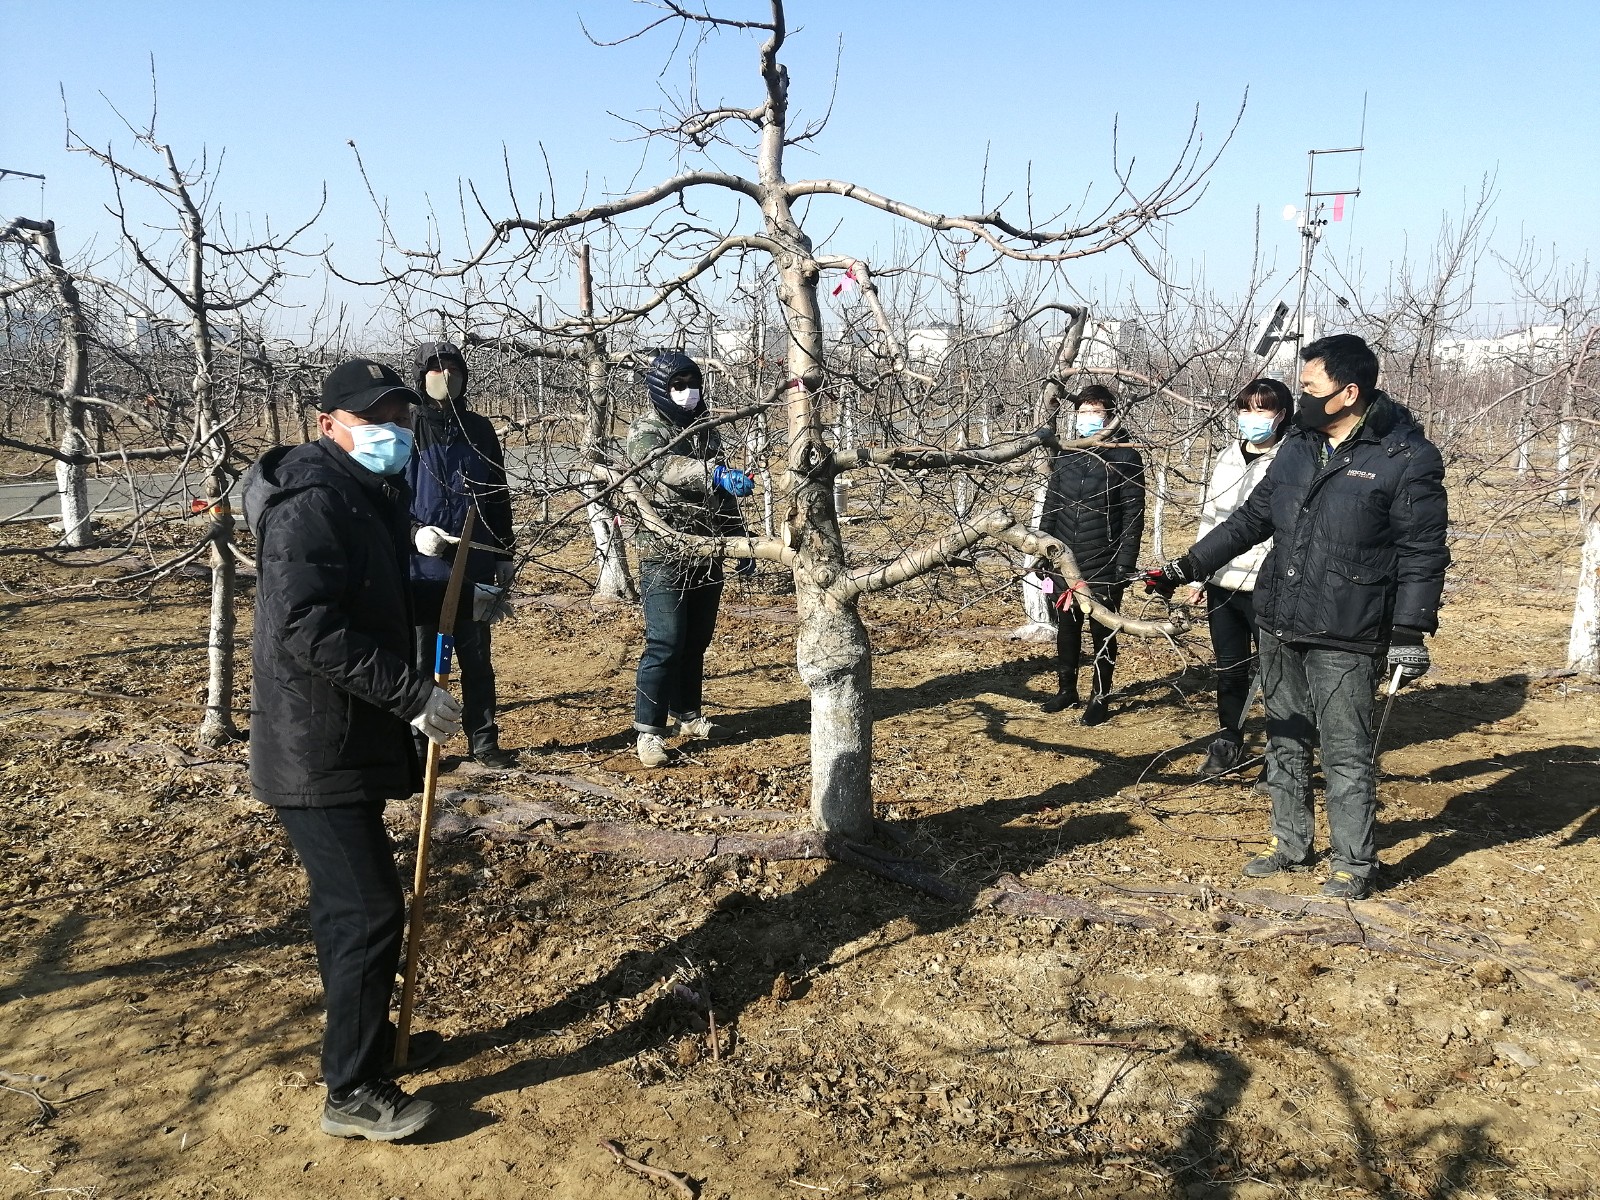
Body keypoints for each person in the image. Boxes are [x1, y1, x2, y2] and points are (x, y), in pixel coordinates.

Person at [1144, 334, 1449, 899]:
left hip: (1349, 631)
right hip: (1280, 616)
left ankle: (1355, 864)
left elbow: (1423, 552)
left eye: (1310, 388)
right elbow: (1250, 521)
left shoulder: (1406, 459)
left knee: (1346, 750)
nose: (1301, 398)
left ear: (1348, 392)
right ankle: (1291, 844)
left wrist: (1411, 629)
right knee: (1285, 738)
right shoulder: (1299, 446)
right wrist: (1184, 567)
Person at [243, 358, 461, 1141]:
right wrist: (411, 695)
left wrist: (451, 590)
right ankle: (352, 1090)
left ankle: (372, 1047)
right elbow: (308, 627)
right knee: (366, 911)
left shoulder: (361, 492)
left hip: (340, 736)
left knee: (353, 912)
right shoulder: (311, 502)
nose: (394, 433)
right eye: (377, 419)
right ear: (331, 422)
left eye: (401, 419)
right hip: (313, 747)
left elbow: (375, 595)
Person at [626, 350, 754, 768]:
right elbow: (663, 467)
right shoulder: (646, 430)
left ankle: (688, 714)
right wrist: (712, 472)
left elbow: (723, 493)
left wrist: (740, 539)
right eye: (677, 386)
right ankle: (648, 731)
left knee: (696, 640)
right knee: (665, 642)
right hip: (665, 550)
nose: (687, 393)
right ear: (661, 391)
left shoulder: (705, 430)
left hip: (708, 547)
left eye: (692, 384)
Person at [405, 341, 518, 770]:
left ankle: (484, 742)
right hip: (422, 565)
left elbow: (498, 492)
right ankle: (419, 748)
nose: (445, 376)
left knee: (476, 656)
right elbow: (386, 495)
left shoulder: (479, 429)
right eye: (436, 368)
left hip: (474, 560)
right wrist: (413, 533)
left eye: (453, 368)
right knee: (421, 658)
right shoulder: (408, 429)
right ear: (420, 376)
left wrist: (504, 553)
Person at [1188, 378, 1293, 780]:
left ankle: (1280, 753)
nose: (1251, 418)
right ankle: (1228, 739)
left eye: (1261, 410)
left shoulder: (1290, 462)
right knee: (1229, 668)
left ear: (1281, 415)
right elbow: (1211, 520)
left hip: (1266, 585)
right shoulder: (1226, 457)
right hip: (1223, 583)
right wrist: (1199, 574)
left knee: (1277, 674)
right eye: (1246, 409)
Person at [1038, 384, 1146, 726]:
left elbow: (1133, 516)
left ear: (1111, 415)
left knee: (1102, 630)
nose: (1087, 418)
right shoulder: (1067, 453)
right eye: (1082, 412)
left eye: (1095, 412)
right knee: (1067, 627)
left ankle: (1100, 696)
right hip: (1064, 557)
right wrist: (1043, 548)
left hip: (1104, 559)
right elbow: (1052, 505)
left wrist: (1124, 564)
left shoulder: (1125, 456)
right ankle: (1066, 688)